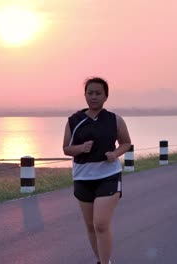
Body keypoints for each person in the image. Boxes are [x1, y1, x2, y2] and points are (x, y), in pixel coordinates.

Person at [63, 77, 132, 264]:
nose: (93, 97)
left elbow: (126, 142)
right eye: (90, 93)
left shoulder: (114, 120)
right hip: (82, 178)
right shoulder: (74, 121)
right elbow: (66, 149)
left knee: (100, 224)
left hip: (108, 176)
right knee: (91, 226)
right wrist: (80, 148)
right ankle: (104, 261)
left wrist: (115, 153)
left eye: (98, 93)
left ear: (106, 96)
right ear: (85, 95)